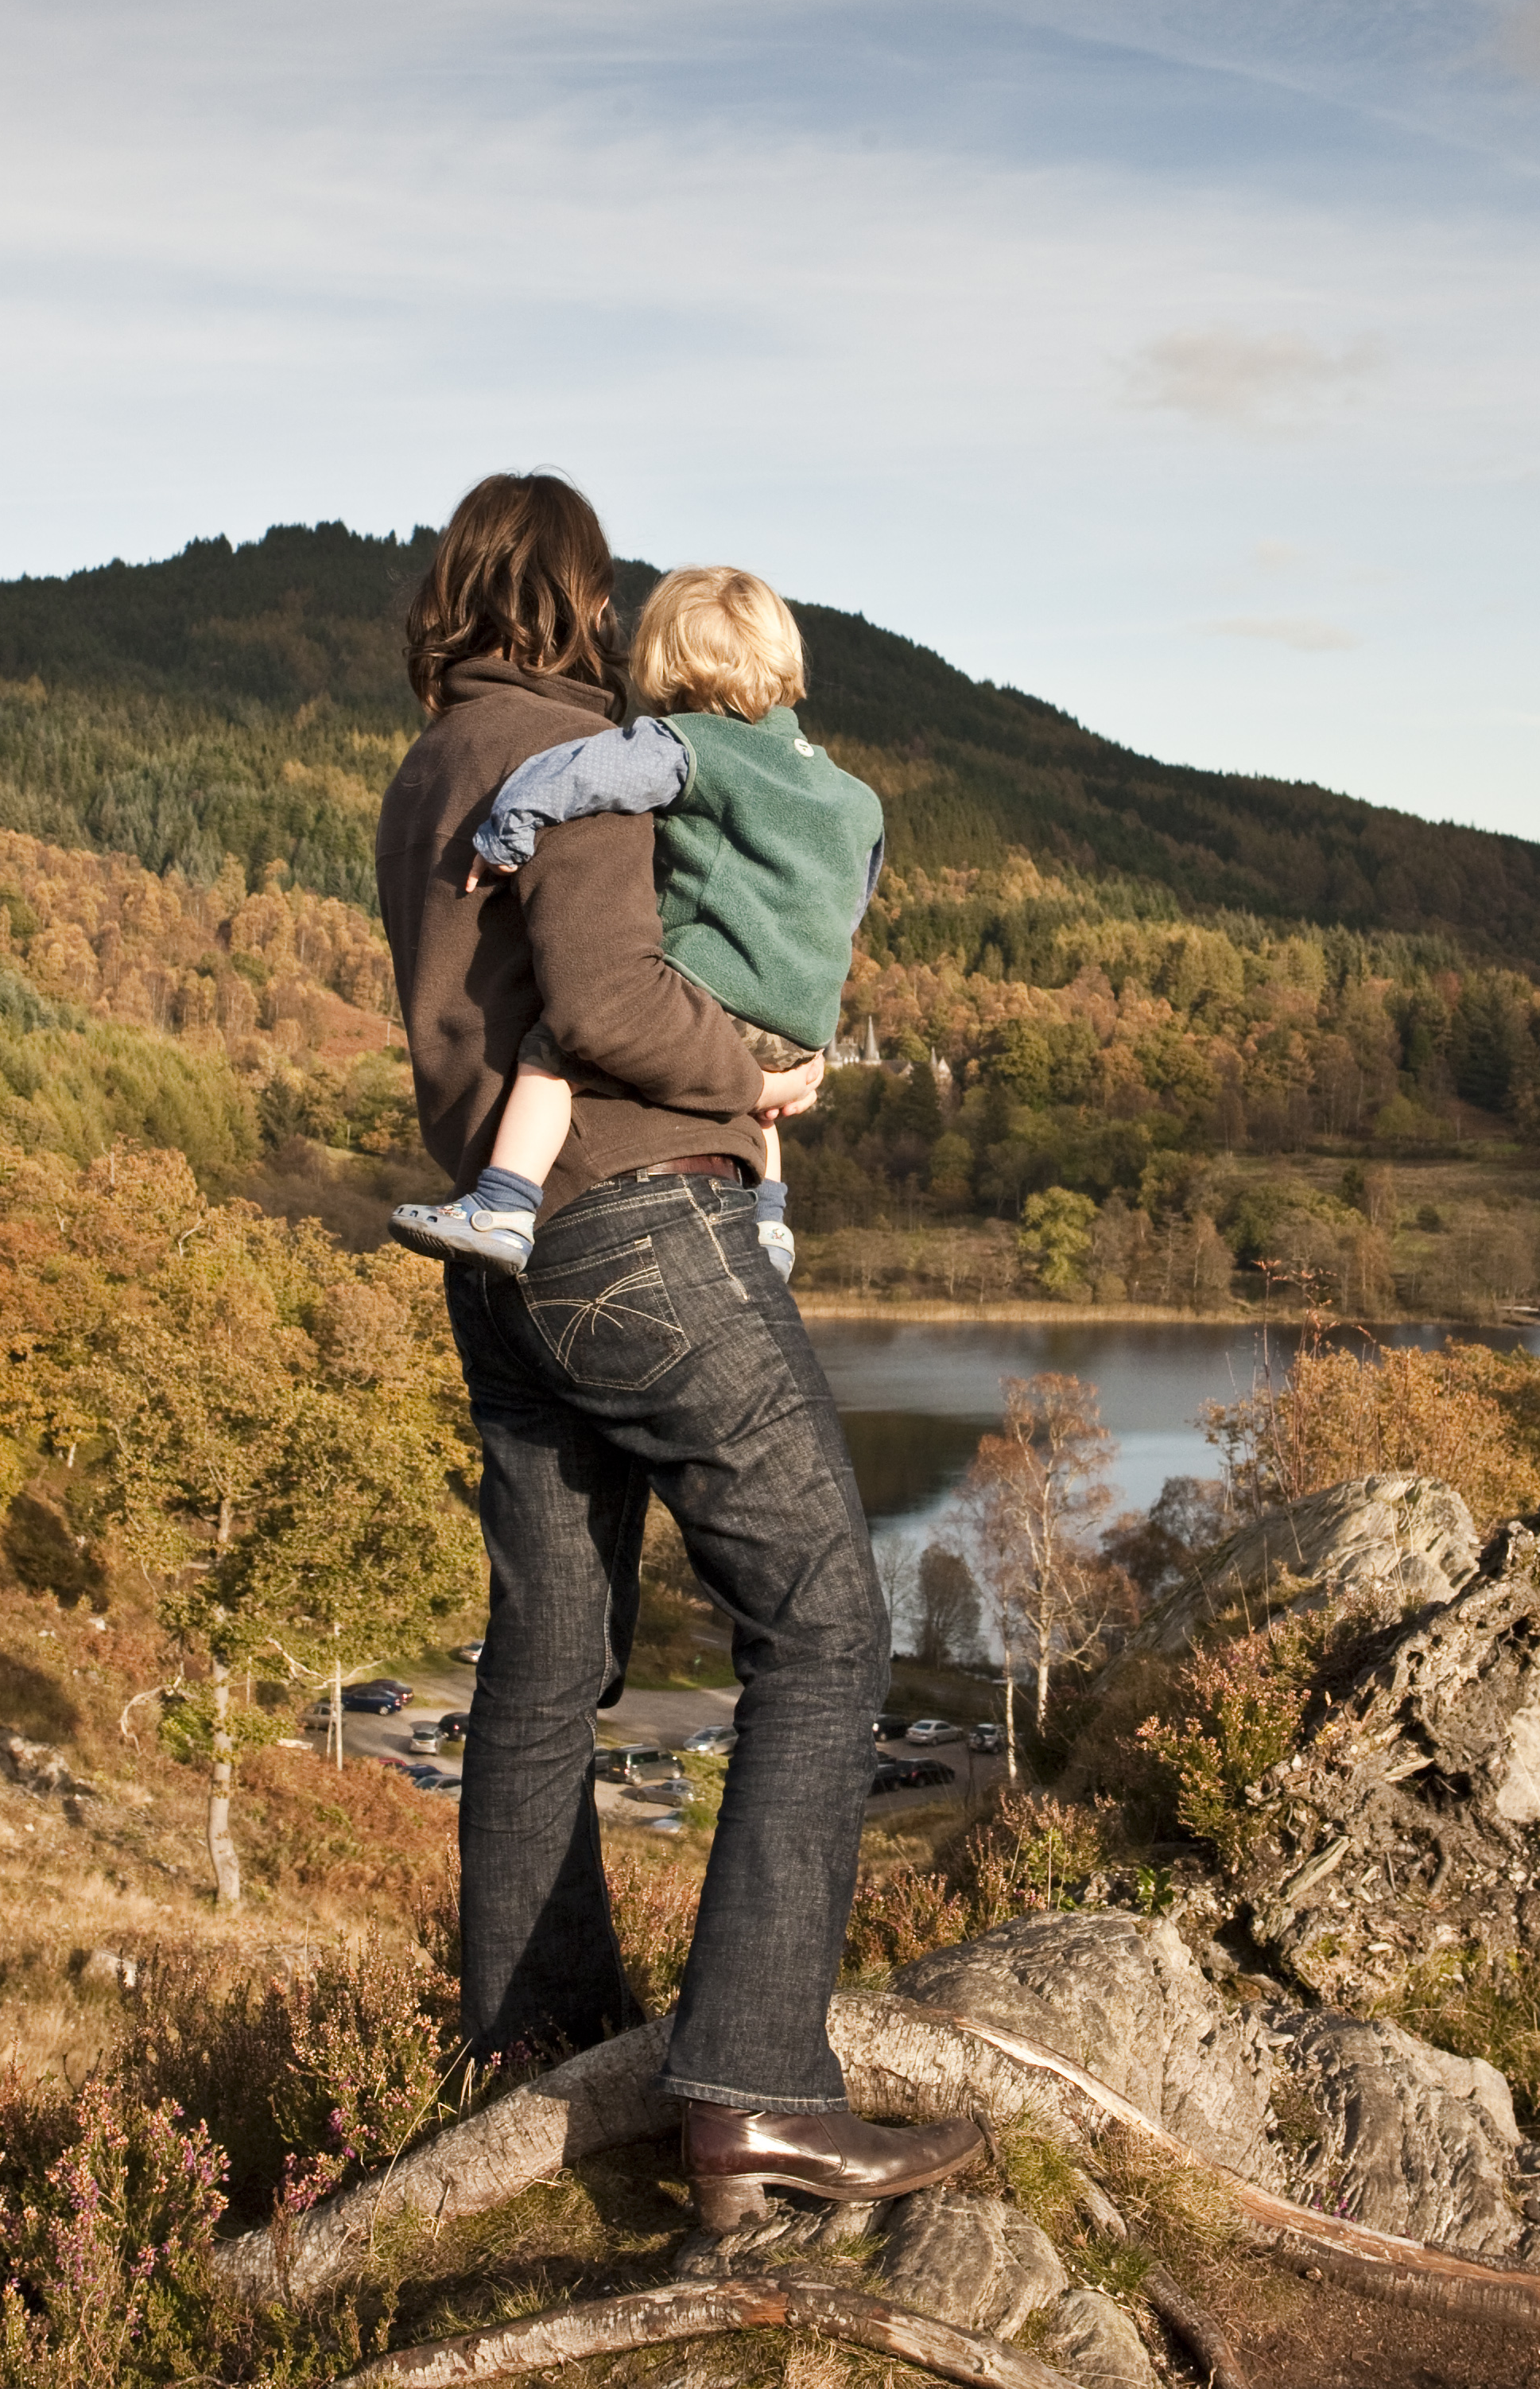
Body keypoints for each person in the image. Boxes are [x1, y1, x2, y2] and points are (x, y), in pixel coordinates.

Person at [375, 474, 980, 2228]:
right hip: (643, 1226)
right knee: (827, 1626)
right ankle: (759, 2095)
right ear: (577, 599)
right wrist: (765, 1078)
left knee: (549, 1667)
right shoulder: (575, 749)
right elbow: (612, 1004)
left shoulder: (433, 760)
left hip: (509, 1257)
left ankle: (533, 2066)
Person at [389, 562, 882, 1284]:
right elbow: (850, 901)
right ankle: (770, 1222)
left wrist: (508, 833)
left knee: (552, 1052)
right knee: (766, 1103)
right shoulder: (855, 796)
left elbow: (579, 775)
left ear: (665, 661)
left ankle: (502, 1205)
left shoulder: (686, 745)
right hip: (805, 1026)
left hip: (715, 998)